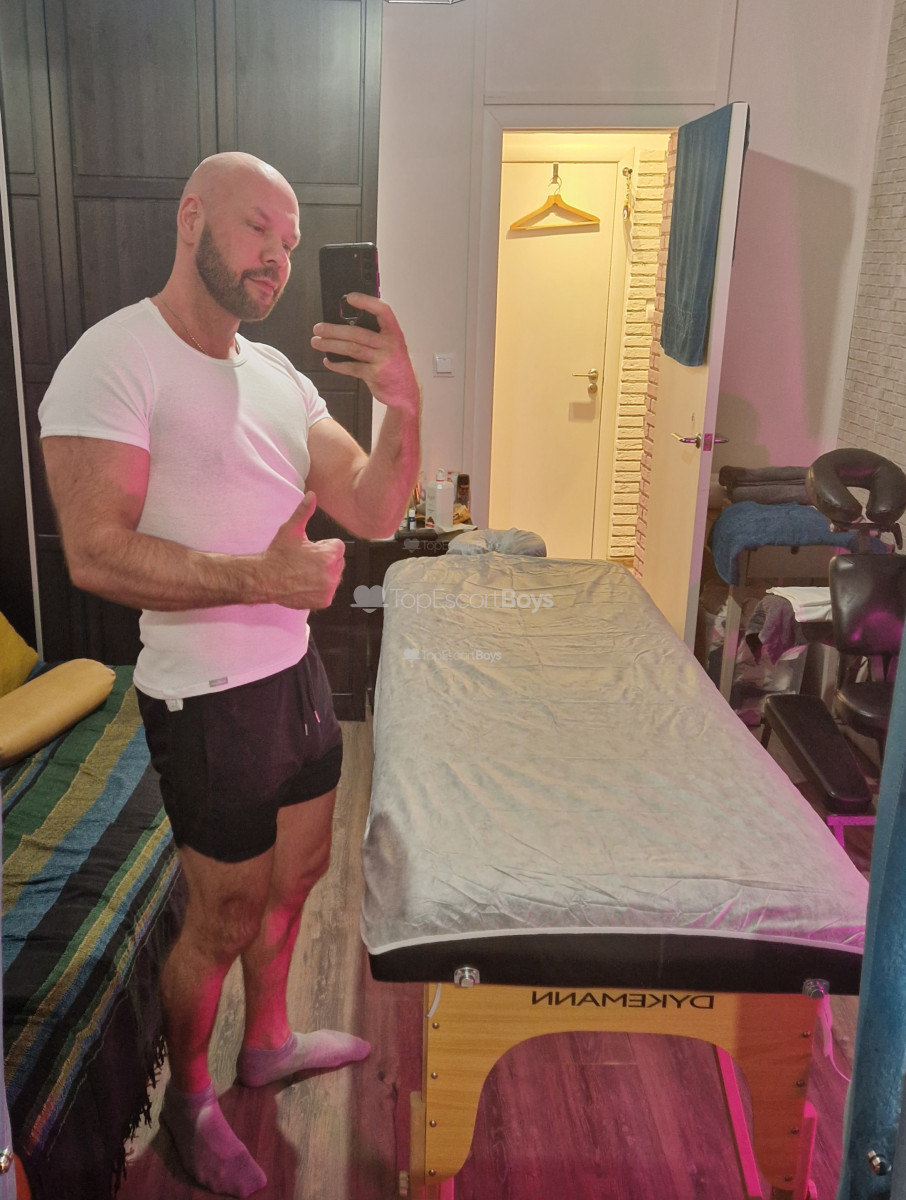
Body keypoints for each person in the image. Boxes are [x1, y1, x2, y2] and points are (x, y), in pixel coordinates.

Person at [38, 152, 421, 1198]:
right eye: (259, 230)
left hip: (295, 677)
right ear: (192, 215)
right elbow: (95, 551)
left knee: (297, 882)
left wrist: (402, 401)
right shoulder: (112, 359)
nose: (277, 258)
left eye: (289, 245)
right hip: (204, 697)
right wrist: (263, 576)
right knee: (224, 916)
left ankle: (270, 1042)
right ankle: (191, 1101)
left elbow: (374, 507)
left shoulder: (278, 375)